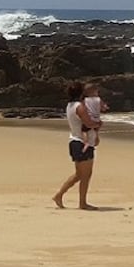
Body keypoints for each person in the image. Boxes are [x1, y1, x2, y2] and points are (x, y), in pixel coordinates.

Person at [53, 82, 101, 210]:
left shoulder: (70, 106)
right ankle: (82, 202)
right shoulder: (80, 106)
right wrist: (98, 124)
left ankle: (59, 195)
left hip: (74, 141)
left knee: (79, 174)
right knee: (85, 175)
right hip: (82, 142)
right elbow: (88, 123)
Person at [82, 83, 108, 147]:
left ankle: (86, 141)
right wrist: (105, 107)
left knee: (84, 130)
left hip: (88, 119)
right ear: (95, 92)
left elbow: (82, 109)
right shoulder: (98, 99)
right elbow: (103, 108)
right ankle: (96, 135)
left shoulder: (85, 100)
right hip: (97, 120)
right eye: (97, 91)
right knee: (97, 128)